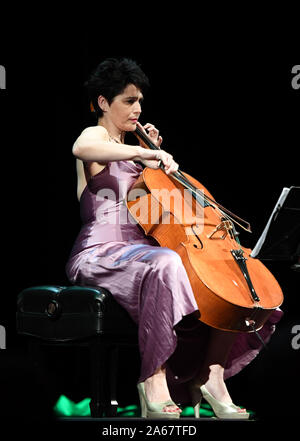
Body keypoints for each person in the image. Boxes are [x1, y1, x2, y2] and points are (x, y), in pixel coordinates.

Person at [65, 57, 282, 419]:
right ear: (103, 102)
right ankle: (153, 378)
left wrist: (155, 163)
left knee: (231, 279)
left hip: (140, 253)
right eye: (128, 100)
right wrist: (145, 150)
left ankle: (210, 376)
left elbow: (162, 214)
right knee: (166, 262)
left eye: (140, 101)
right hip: (100, 253)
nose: (137, 108)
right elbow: (81, 147)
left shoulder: (139, 158)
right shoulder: (99, 137)